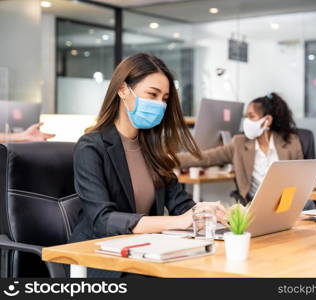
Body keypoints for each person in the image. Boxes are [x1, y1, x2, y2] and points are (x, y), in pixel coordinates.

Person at [69, 53, 227, 277]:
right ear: (123, 90)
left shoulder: (152, 148)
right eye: (152, 94)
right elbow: (102, 221)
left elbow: (181, 205)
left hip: (146, 252)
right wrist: (179, 222)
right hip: (102, 259)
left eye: (164, 99)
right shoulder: (91, 147)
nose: (159, 105)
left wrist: (206, 213)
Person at [177, 93, 304, 204]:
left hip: (288, 204)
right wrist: (166, 159)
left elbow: (304, 179)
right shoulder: (239, 144)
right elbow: (205, 158)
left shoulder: (291, 142)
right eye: (246, 116)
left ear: (267, 120)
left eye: (251, 116)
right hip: (256, 207)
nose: (247, 121)